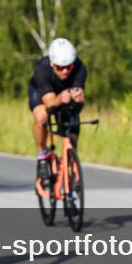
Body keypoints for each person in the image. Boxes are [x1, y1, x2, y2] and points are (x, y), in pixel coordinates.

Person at [29, 38, 87, 182]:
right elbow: (49, 103)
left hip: (64, 95)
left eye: (69, 66)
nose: (66, 71)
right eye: (60, 67)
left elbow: (78, 96)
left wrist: (79, 100)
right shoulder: (41, 69)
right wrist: (60, 99)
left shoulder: (80, 68)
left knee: (72, 121)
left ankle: (70, 167)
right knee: (42, 116)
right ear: (52, 63)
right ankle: (42, 154)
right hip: (42, 93)